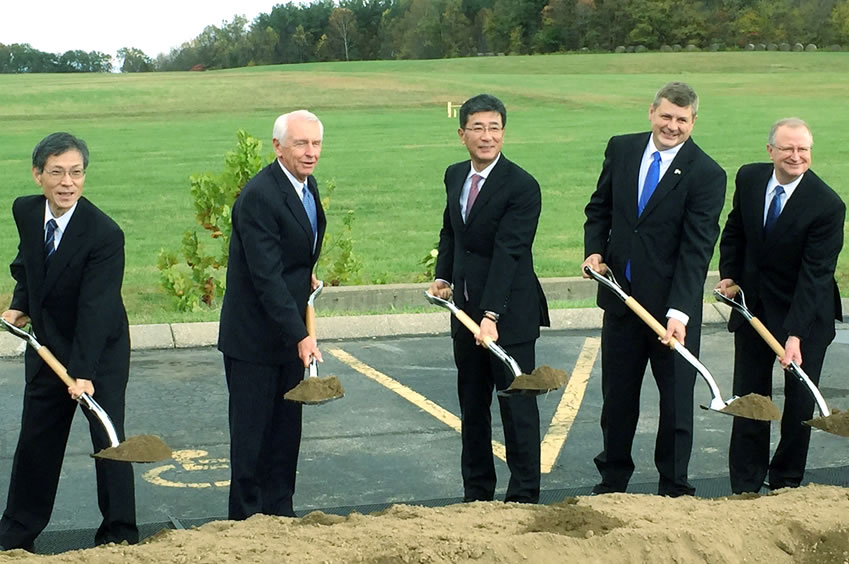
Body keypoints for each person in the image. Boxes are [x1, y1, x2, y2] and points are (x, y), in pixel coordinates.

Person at [581, 82, 726, 497]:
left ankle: (674, 487)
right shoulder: (622, 149)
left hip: (670, 312)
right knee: (617, 399)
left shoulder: (707, 174)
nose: (672, 126)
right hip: (621, 301)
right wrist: (595, 250)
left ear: (693, 121)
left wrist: (679, 312)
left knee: (677, 403)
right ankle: (612, 481)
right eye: (666, 116)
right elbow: (599, 208)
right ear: (651, 112)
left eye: (682, 119)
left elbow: (697, 249)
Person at [0, 132, 137, 551]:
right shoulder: (26, 210)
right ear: (38, 174)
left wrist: (83, 373)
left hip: (99, 352)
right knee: (36, 440)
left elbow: (97, 310)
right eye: (57, 172)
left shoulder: (104, 234)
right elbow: (28, 264)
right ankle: (16, 533)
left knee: (108, 440)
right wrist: (20, 305)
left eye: (76, 173)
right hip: (47, 346)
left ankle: (119, 534)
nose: (67, 183)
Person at [429, 93, 550, 504]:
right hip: (465, 315)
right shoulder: (453, 175)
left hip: (509, 317)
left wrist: (491, 315)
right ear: (461, 133)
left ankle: (524, 497)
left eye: (494, 128)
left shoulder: (522, 186)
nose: (487, 136)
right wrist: (443, 277)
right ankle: (477, 495)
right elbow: (451, 232)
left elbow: (509, 253)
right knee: (473, 408)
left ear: (503, 133)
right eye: (478, 128)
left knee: (517, 409)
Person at [715, 118, 844, 493]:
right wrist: (730, 274)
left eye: (803, 149)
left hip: (806, 313)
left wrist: (795, 335)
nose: (796, 156)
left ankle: (786, 480)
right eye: (788, 148)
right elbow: (735, 229)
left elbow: (815, 276)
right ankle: (745, 483)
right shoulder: (750, 178)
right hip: (754, 308)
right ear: (770, 150)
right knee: (750, 399)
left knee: (799, 404)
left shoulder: (827, 205)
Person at [217, 110, 326, 520]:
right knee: (252, 442)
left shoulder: (306, 185)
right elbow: (265, 276)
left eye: (316, 143)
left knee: (284, 438)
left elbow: (292, 252)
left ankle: (281, 518)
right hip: (254, 341)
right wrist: (301, 335)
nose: (310, 152)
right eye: (301, 143)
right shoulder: (260, 196)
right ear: (278, 147)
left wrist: (304, 275)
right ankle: (246, 524)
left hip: (286, 337)